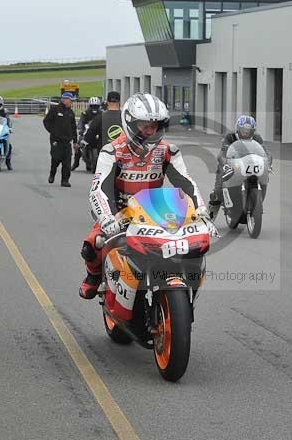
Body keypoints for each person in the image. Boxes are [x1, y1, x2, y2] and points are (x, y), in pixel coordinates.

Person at [78, 93, 216, 299]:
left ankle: (186, 288)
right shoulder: (111, 151)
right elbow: (98, 189)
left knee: (192, 246)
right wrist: (107, 217)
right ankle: (93, 276)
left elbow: (186, 183)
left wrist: (202, 211)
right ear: (130, 123)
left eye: (155, 126)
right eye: (144, 125)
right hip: (120, 211)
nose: (150, 131)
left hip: (156, 209)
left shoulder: (168, 150)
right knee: (93, 244)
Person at [207, 115, 269, 221]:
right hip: (230, 165)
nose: (246, 133)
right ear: (238, 128)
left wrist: (268, 163)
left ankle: (254, 203)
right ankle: (209, 219)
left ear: (253, 131)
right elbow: (222, 154)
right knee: (217, 192)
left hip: (250, 165)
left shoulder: (257, 138)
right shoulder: (230, 137)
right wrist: (225, 164)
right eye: (243, 130)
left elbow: (266, 154)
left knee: (263, 179)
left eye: (249, 130)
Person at [43, 92, 78, 186]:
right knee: (55, 159)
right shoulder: (55, 109)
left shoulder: (71, 113)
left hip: (67, 141)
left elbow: (73, 128)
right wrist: (53, 132)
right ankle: (52, 174)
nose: (71, 103)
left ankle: (65, 180)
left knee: (67, 161)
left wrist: (75, 141)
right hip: (56, 140)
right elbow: (46, 121)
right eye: (71, 101)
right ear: (65, 100)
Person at [72, 96, 103, 170]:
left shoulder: (102, 113)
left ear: (98, 106)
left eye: (96, 106)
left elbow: (104, 122)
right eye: (93, 106)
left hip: (97, 133)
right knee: (78, 145)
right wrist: (80, 129)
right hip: (86, 132)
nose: (94, 108)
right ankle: (76, 163)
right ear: (90, 106)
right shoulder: (85, 113)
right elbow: (81, 122)